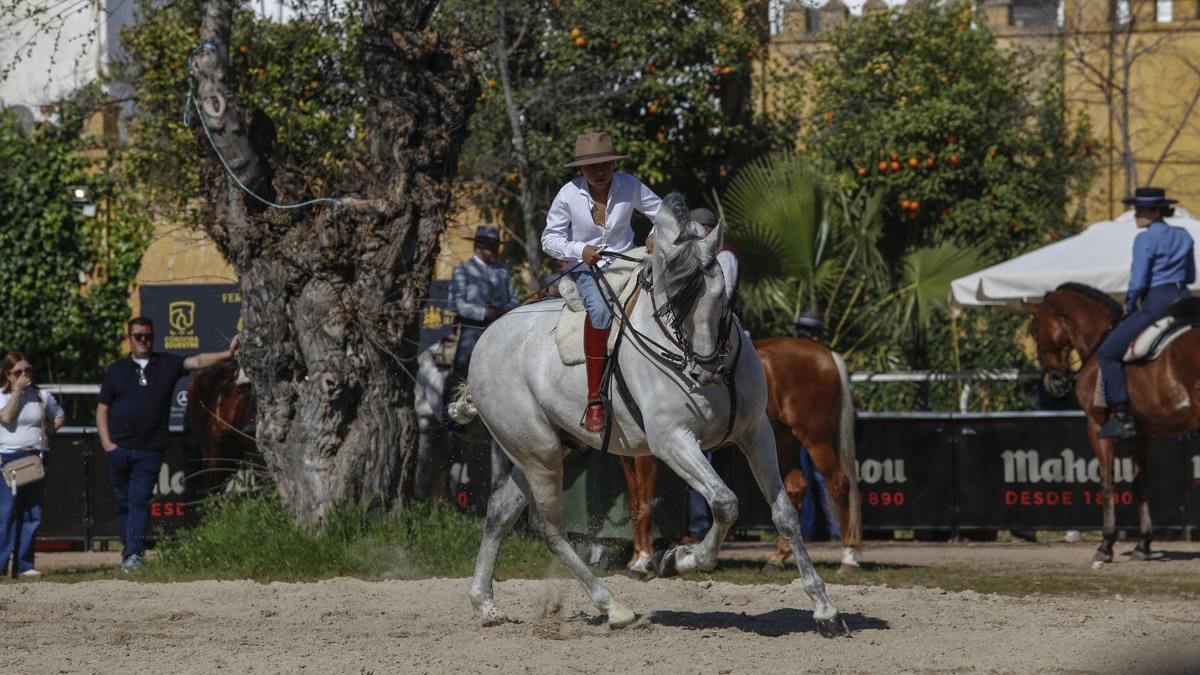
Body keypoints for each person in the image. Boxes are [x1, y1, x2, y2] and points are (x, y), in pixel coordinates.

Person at [97, 318, 239, 572]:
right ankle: (129, 551)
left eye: (148, 336)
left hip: (149, 449)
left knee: (139, 500)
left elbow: (197, 361)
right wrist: (107, 444)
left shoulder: (166, 363)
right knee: (123, 503)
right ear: (129, 338)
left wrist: (228, 354)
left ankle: (134, 555)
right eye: (138, 336)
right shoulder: (116, 369)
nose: (144, 340)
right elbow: (102, 409)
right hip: (118, 448)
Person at [541, 131, 662, 431]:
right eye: (592, 166)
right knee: (600, 311)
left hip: (629, 260)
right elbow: (549, 239)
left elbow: (663, 212)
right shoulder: (568, 194)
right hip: (587, 268)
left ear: (613, 164)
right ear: (580, 169)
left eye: (605, 164)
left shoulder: (630, 185)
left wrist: (654, 233)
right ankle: (595, 397)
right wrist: (579, 249)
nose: (600, 171)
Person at [1096, 187, 1195, 439]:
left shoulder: (1144, 239)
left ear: (1156, 211)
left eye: (1141, 209)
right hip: (1185, 300)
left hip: (1157, 302)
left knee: (1107, 353)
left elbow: (1139, 279)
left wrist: (1129, 304)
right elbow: (1190, 275)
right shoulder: (1184, 235)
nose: (1136, 214)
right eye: (1136, 208)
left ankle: (1122, 416)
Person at [447, 226, 519, 505]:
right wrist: (482, 312)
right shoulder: (463, 270)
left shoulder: (502, 270)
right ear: (478, 247)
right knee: (462, 362)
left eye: (496, 247)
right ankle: (452, 413)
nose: (494, 252)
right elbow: (456, 302)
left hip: (499, 326)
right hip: (473, 328)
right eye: (490, 247)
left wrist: (504, 309)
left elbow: (513, 298)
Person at [682, 207, 738, 544]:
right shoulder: (692, 258)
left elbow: (719, 300)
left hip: (722, 337)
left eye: (697, 231)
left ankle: (701, 524)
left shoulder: (724, 258)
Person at [0, 353, 65, 577]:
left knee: (32, 513)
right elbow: (6, 418)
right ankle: (1, 565)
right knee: (6, 514)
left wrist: (47, 432)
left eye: (27, 370)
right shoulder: (2, 396)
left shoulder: (41, 396)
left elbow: (59, 415)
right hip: (8, 460)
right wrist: (17, 392)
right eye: (18, 372)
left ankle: (24, 565)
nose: (24, 375)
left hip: (36, 459)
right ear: (8, 375)